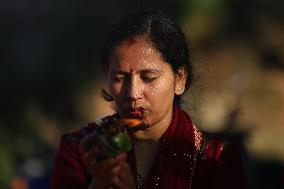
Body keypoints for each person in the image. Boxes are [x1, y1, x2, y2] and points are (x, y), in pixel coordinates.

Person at [51, 9, 246, 189]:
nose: (133, 93)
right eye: (119, 78)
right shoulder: (79, 150)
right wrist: (100, 183)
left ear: (180, 79)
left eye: (148, 78)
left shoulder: (217, 158)